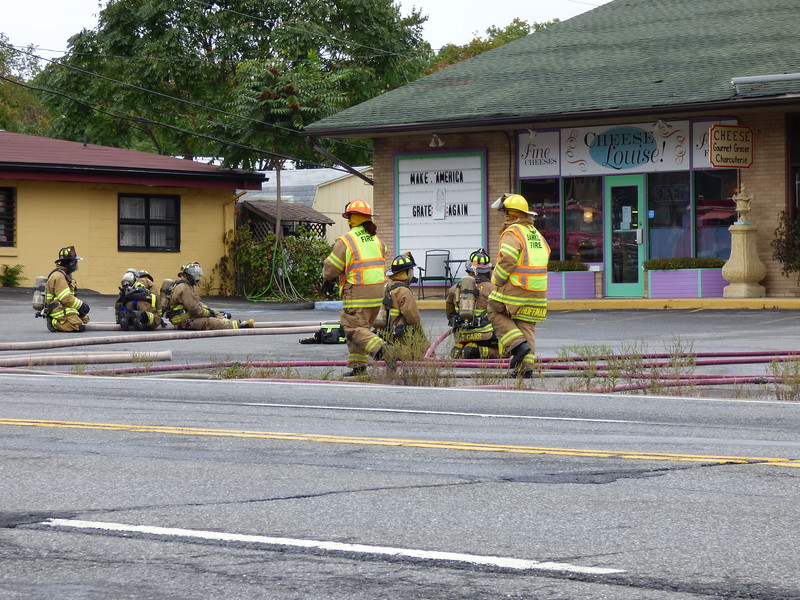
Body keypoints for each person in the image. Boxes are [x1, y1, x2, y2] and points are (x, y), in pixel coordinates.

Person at [322, 199, 392, 377]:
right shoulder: (376, 239)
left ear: (350, 218)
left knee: (352, 329)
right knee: (361, 331)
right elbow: (382, 253)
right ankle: (358, 367)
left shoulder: (347, 240)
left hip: (358, 292)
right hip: (377, 294)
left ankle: (382, 350)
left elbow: (331, 267)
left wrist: (327, 279)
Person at [487, 194, 551, 377]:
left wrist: (497, 280)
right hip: (538, 292)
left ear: (510, 214)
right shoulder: (535, 233)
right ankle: (525, 369)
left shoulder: (513, 232)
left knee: (493, 309)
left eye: (504, 213)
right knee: (526, 326)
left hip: (516, 289)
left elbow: (508, 258)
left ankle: (516, 345)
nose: (503, 217)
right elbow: (547, 253)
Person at [445, 249, 500, 360]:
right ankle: (478, 350)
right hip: (485, 336)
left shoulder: (453, 289)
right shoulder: (493, 289)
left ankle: (461, 347)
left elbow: (450, 315)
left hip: (461, 335)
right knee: (505, 351)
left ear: (468, 269)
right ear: (487, 271)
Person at [165, 262, 254, 330]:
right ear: (186, 275)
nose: (197, 278)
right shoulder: (184, 288)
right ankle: (238, 325)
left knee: (211, 312)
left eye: (198, 275)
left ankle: (225, 319)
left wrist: (211, 311)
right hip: (183, 321)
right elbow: (194, 309)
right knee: (209, 322)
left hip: (187, 318)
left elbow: (197, 304)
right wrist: (208, 313)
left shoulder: (186, 286)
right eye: (194, 275)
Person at [376, 253, 428, 355]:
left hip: (385, 334)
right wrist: (422, 337)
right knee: (419, 354)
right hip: (401, 336)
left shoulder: (387, 287)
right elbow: (413, 318)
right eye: (411, 270)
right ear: (406, 273)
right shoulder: (404, 291)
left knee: (391, 358)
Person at [43, 246, 90, 332]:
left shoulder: (66, 275)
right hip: (57, 308)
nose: (75, 264)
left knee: (85, 319)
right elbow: (66, 298)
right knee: (78, 326)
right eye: (73, 262)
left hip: (65, 306)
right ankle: (53, 322)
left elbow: (70, 297)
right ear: (67, 262)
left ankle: (67, 320)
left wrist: (79, 309)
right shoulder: (58, 276)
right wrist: (81, 305)